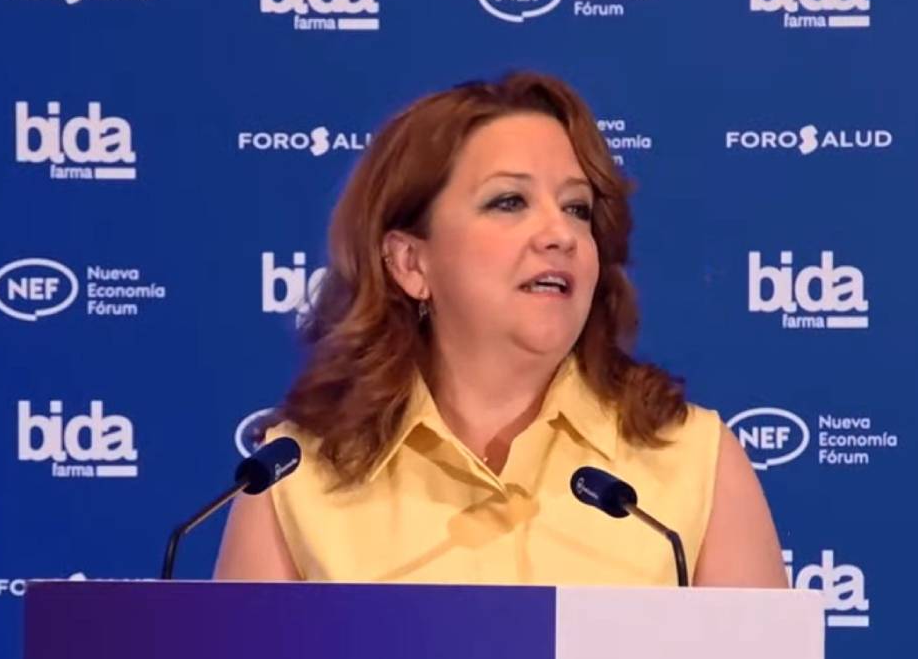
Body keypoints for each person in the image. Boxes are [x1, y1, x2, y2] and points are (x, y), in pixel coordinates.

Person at [215, 71, 784, 588]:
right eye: (509, 202)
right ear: (411, 263)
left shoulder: (693, 460)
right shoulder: (292, 475)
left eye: (578, 209)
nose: (559, 234)